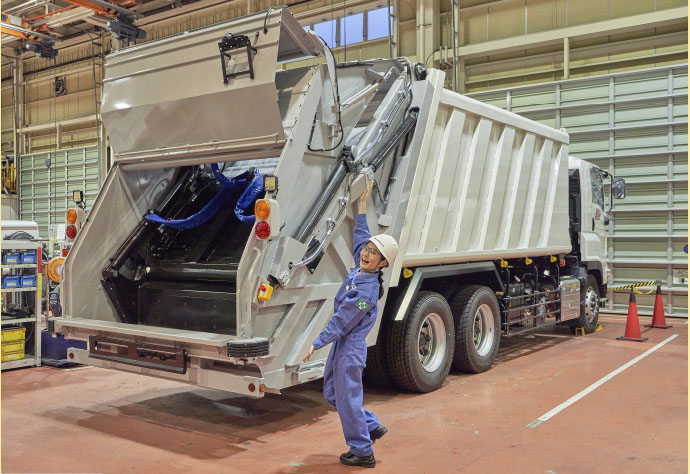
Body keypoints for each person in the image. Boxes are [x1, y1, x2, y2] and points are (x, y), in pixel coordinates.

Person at [303, 179, 398, 469]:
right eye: (367, 249)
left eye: (374, 253)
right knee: (334, 394)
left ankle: (362, 450)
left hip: (351, 347)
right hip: (344, 346)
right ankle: (371, 425)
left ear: (383, 264)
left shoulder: (366, 291)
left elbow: (342, 321)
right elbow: (361, 236)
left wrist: (316, 343)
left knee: (347, 399)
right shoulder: (361, 268)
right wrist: (362, 205)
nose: (367, 253)